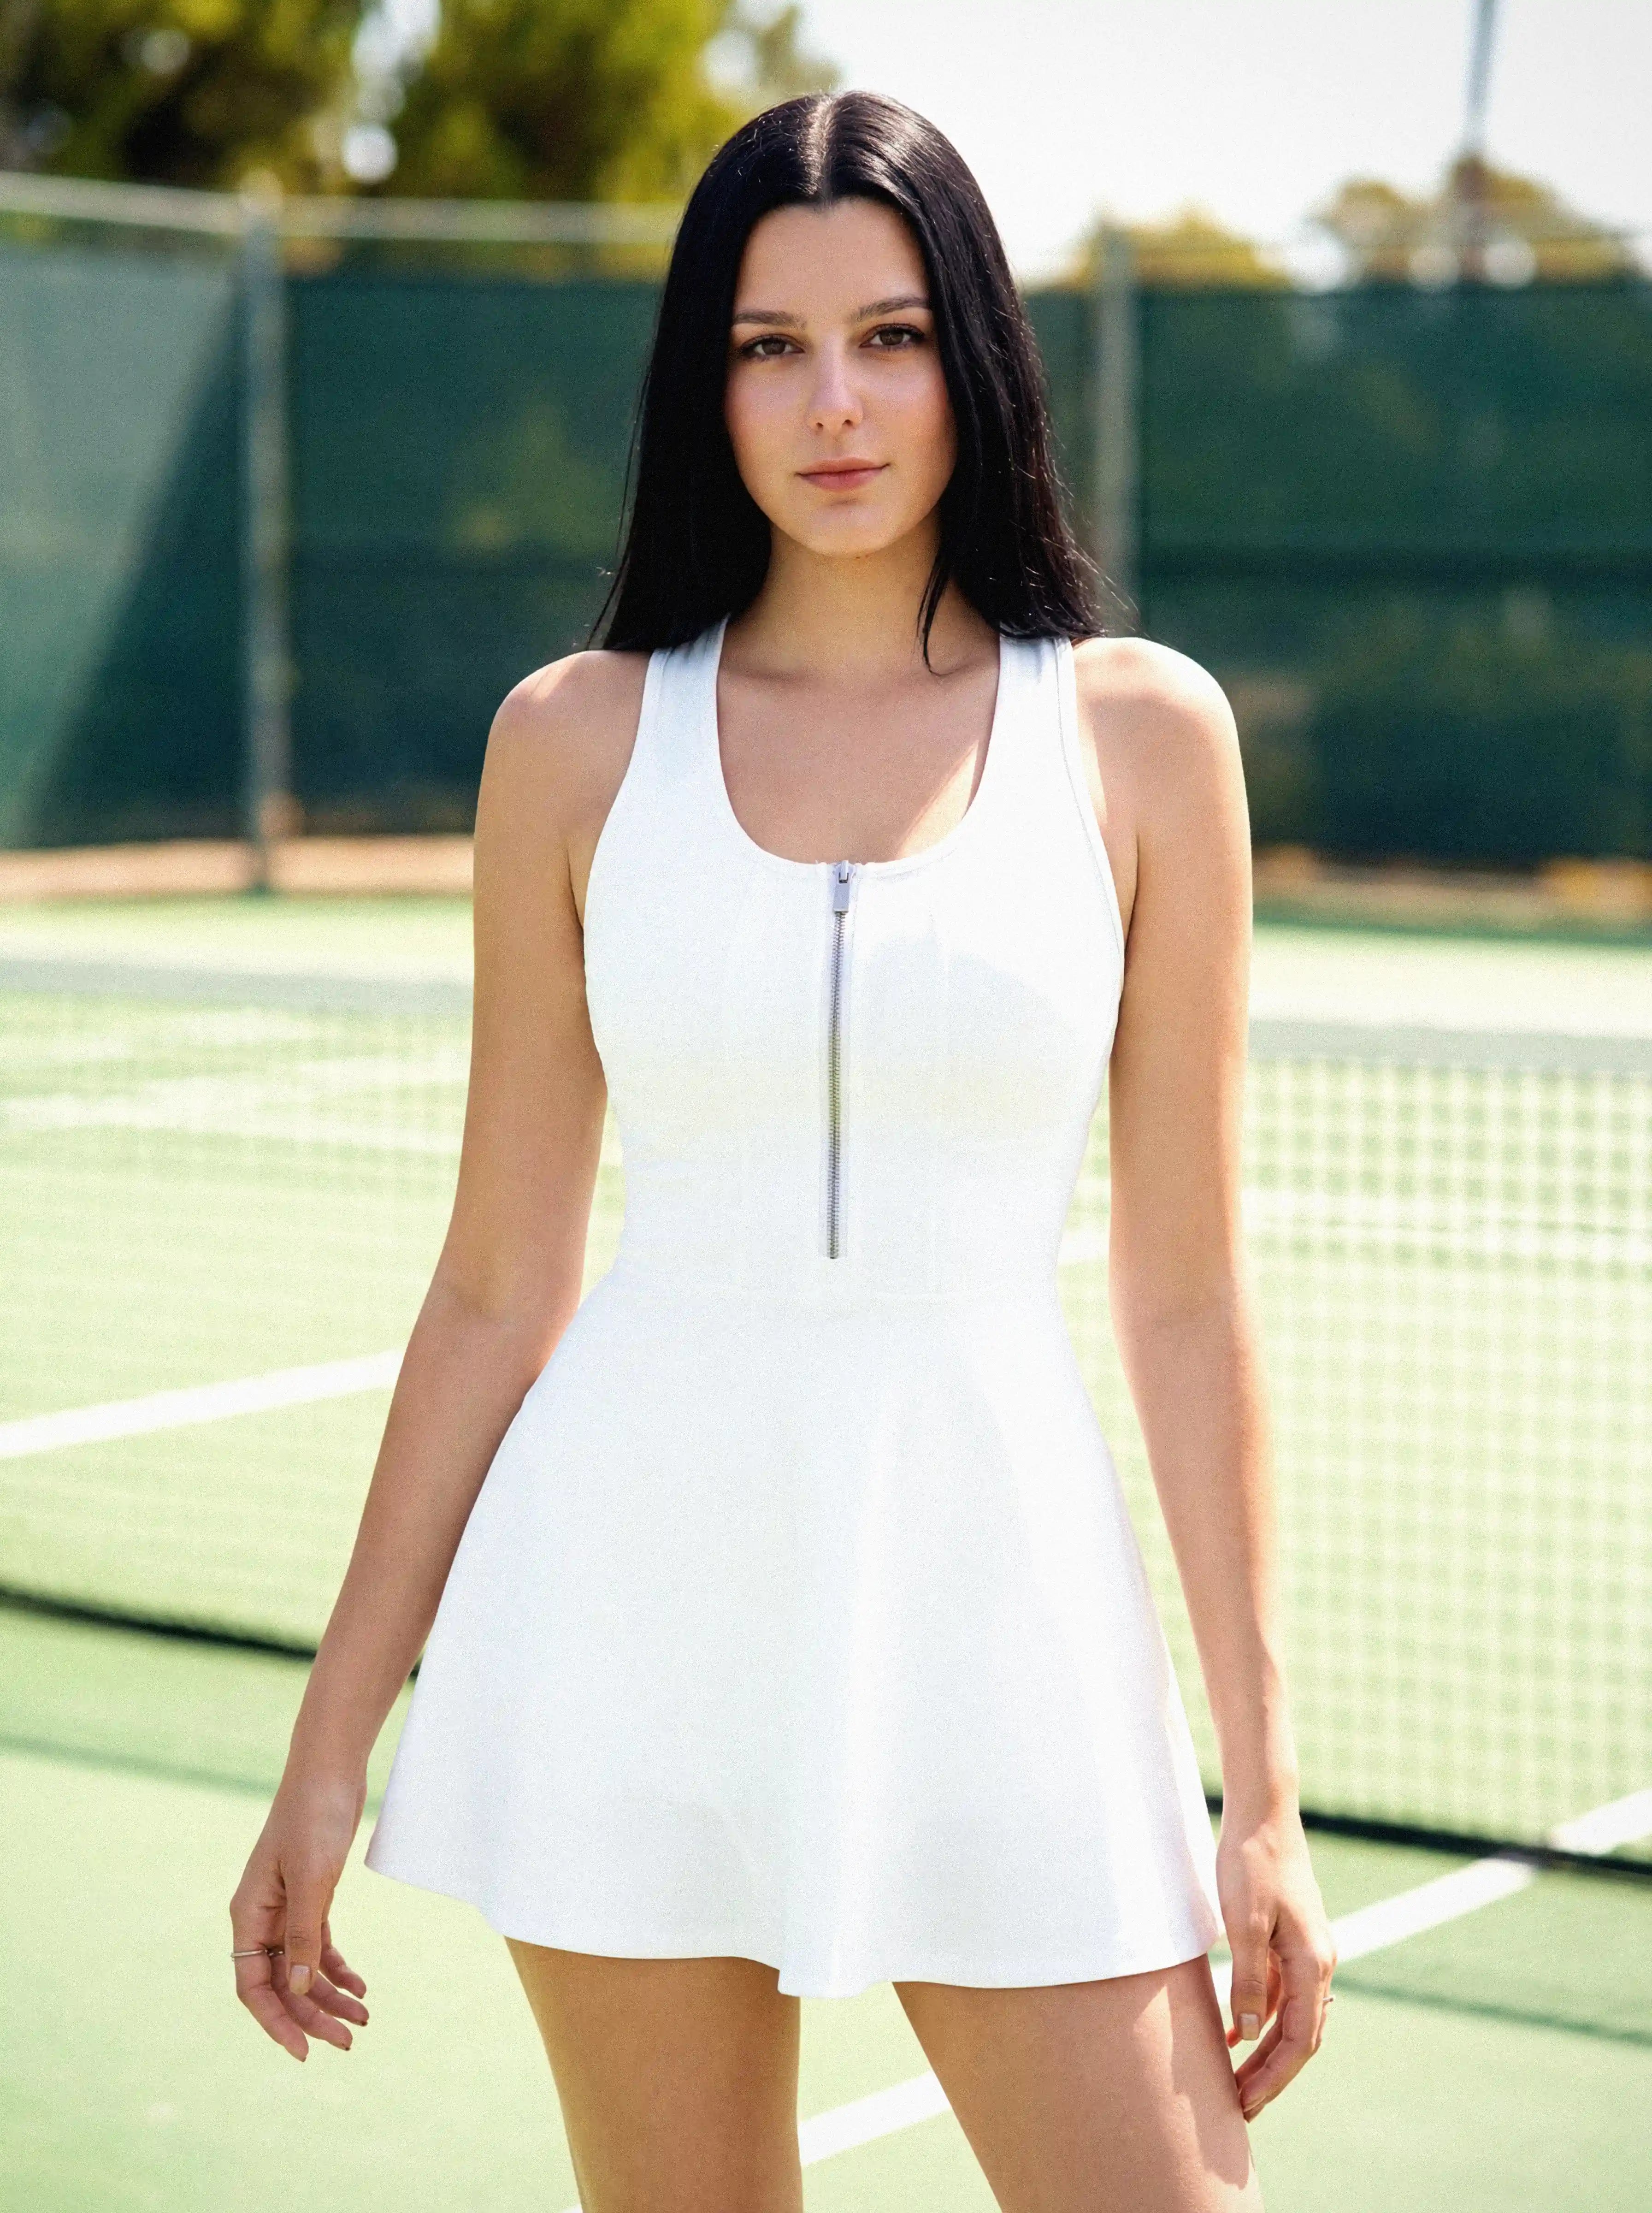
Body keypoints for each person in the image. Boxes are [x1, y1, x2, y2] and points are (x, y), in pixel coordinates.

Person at [230, 89, 1334, 2212]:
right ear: (703, 382)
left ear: (974, 359)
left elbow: (1184, 1293)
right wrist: (323, 1745)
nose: (833, 402)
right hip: (621, 1609)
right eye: (768, 346)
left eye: (891, 335)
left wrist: (1262, 1784)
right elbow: (493, 1285)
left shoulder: (1136, 737)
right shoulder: (568, 744)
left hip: (995, 1595)